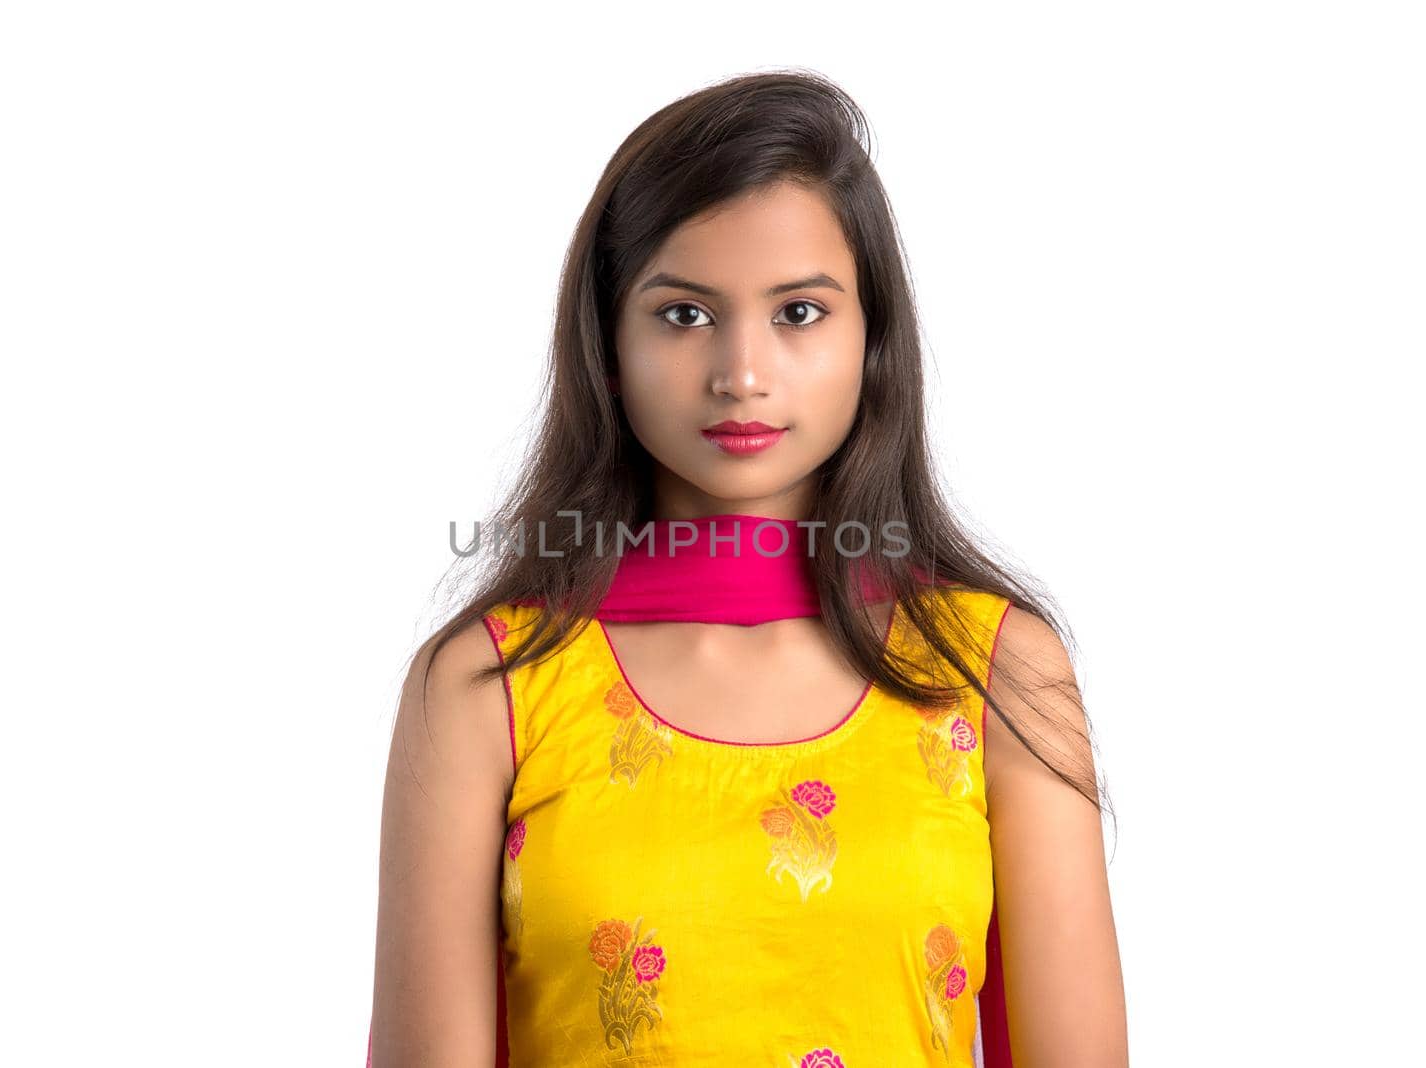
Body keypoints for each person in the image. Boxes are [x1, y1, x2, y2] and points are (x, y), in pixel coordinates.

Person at [370, 70, 1126, 1067]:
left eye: (799, 314)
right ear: (607, 343)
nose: (742, 373)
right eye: (684, 315)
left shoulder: (995, 672)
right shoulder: (488, 685)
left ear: (875, 341)